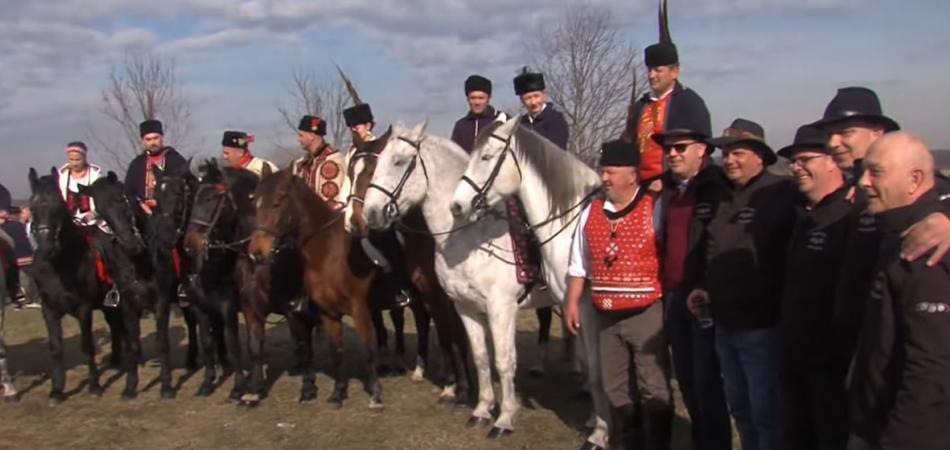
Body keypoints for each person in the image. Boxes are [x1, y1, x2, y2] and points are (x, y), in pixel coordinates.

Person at [688, 119, 798, 450]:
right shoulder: (725, 197)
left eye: (738, 153)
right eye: (726, 153)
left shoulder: (782, 193)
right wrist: (705, 287)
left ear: (760, 157)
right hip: (725, 326)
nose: (729, 160)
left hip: (762, 328)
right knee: (741, 410)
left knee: (766, 413)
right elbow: (717, 250)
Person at [565, 139, 672, 450]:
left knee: (653, 385)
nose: (605, 178)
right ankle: (629, 443)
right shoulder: (591, 212)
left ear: (632, 175)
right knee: (615, 387)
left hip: (646, 314)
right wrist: (572, 301)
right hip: (606, 317)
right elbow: (579, 263)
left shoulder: (655, 209)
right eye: (603, 171)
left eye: (611, 172)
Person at [847, 132, 950, 450]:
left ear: (914, 179)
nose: (863, 182)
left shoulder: (928, 246)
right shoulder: (896, 232)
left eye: (876, 172)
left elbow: (930, 367)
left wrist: (901, 440)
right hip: (871, 419)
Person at [650, 106, 731, 450]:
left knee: (706, 379)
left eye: (680, 147)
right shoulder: (666, 188)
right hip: (672, 296)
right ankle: (700, 438)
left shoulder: (717, 187)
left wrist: (708, 286)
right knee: (684, 376)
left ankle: (714, 443)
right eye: (668, 148)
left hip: (702, 298)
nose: (672, 154)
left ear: (703, 149)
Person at [775, 125, 851, 450]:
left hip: (832, 362)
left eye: (805, 159)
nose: (796, 167)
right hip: (794, 353)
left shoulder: (850, 212)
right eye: (793, 161)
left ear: (834, 161)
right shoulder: (798, 212)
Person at [623, 0, 709, 182]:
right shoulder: (641, 106)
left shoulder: (690, 103)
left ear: (675, 71)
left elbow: (702, 151)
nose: (652, 75)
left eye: (658, 70)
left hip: (675, 187)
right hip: (640, 187)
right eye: (649, 70)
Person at [124, 119, 189, 215]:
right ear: (143, 141)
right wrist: (140, 204)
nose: (153, 143)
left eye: (156, 138)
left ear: (162, 137)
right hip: (143, 219)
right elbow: (128, 193)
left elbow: (185, 193)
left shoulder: (176, 161)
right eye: (148, 139)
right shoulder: (136, 164)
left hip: (171, 217)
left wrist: (161, 202)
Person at [292, 115, 348, 210]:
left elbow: (329, 204)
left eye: (301, 135)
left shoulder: (331, 162)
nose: (298, 139)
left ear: (311, 136)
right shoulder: (304, 162)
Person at [450, 75, 508, 153]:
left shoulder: (503, 120)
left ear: (489, 98)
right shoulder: (460, 126)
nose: (477, 102)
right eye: (473, 98)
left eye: (481, 98)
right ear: (467, 99)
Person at [58, 141, 103, 226]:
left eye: (78, 160)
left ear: (85, 157)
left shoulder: (95, 175)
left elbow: (103, 200)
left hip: (94, 223)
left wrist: (94, 214)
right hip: (69, 224)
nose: (74, 163)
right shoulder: (62, 176)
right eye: (71, 159)